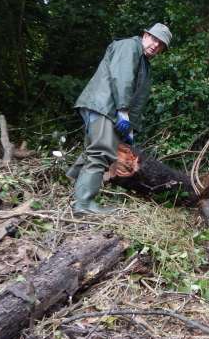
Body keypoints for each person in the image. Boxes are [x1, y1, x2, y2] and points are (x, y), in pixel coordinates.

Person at [68, 23, 172, 215]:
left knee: (95, 150)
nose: (156, 46)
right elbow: (122, 78)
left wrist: (130, 127)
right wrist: (123, 110)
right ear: (145, 35)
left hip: (110, 109)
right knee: (101, 151)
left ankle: (72, 191)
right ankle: (83, 204)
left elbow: (138, 99)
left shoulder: (145, 65)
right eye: (154, 39)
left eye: (161, 45)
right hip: (104, 105)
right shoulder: (129, 47)